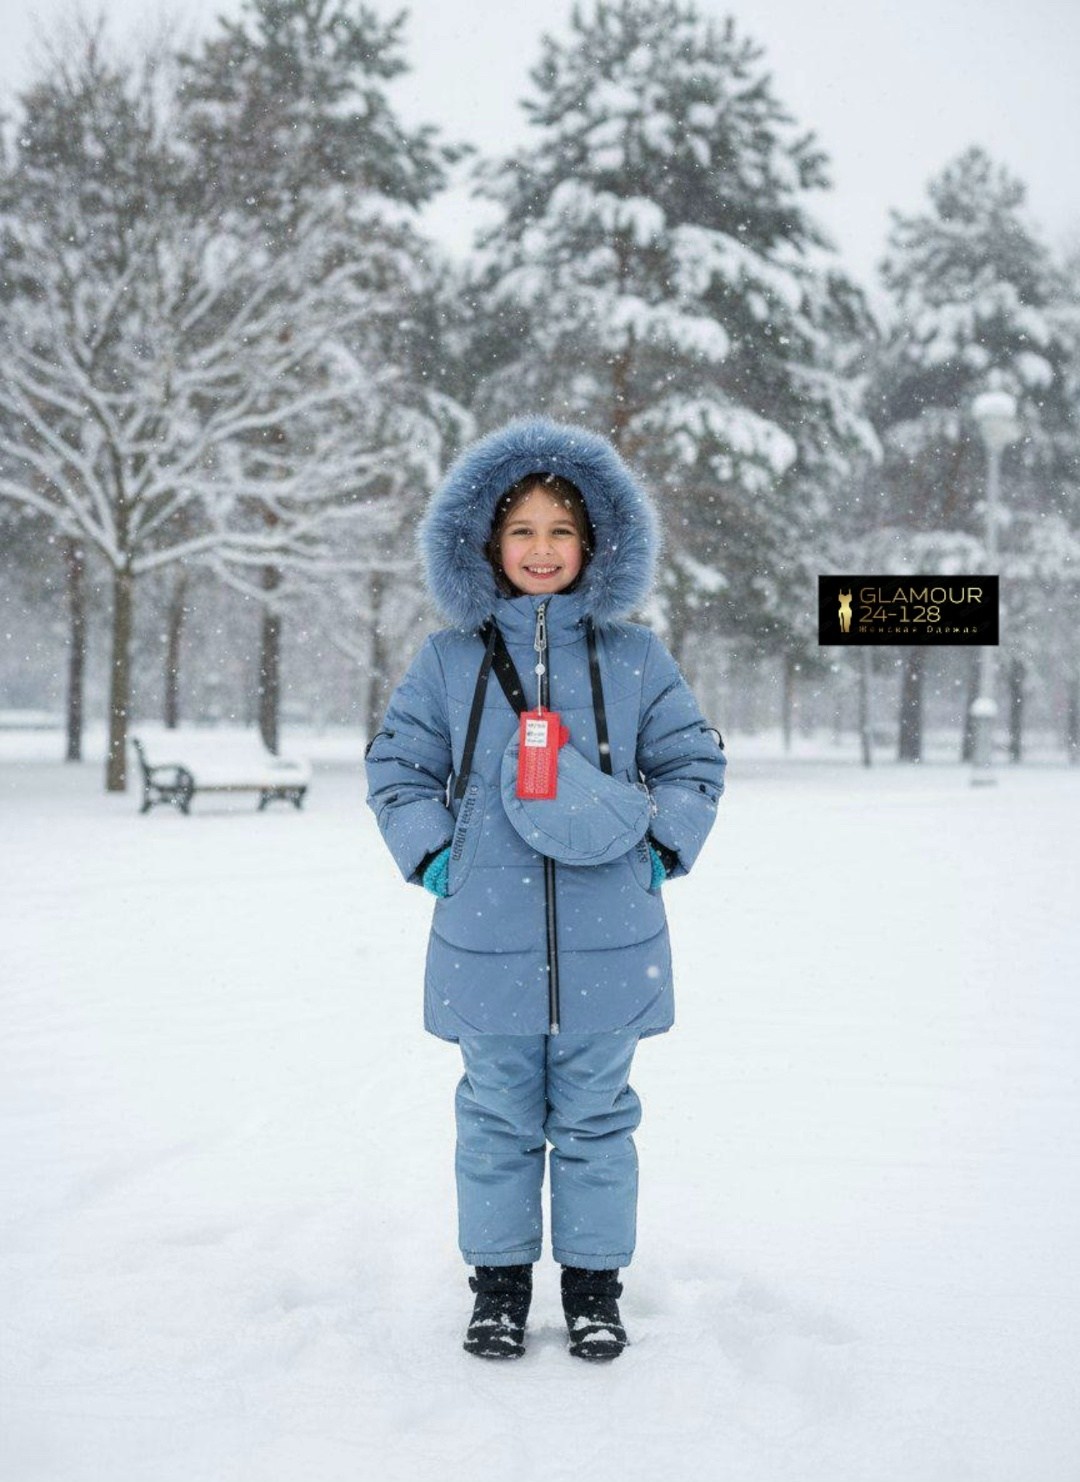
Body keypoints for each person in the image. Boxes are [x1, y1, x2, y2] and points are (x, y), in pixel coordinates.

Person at [364, 416, 727, 1362]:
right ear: (487, 542)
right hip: (484, 936)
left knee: (601, 1119)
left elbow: (693, 761)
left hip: (614, 934)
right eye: (521, 530)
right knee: (494, 1117)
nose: (540, 549)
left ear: (595, 543)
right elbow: (398, 766)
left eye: (561, 531)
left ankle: (596, 1288)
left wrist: (661, 845)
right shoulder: (448, 662)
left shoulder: (638, 659)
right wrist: (434, 852)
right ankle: (497, 1288)